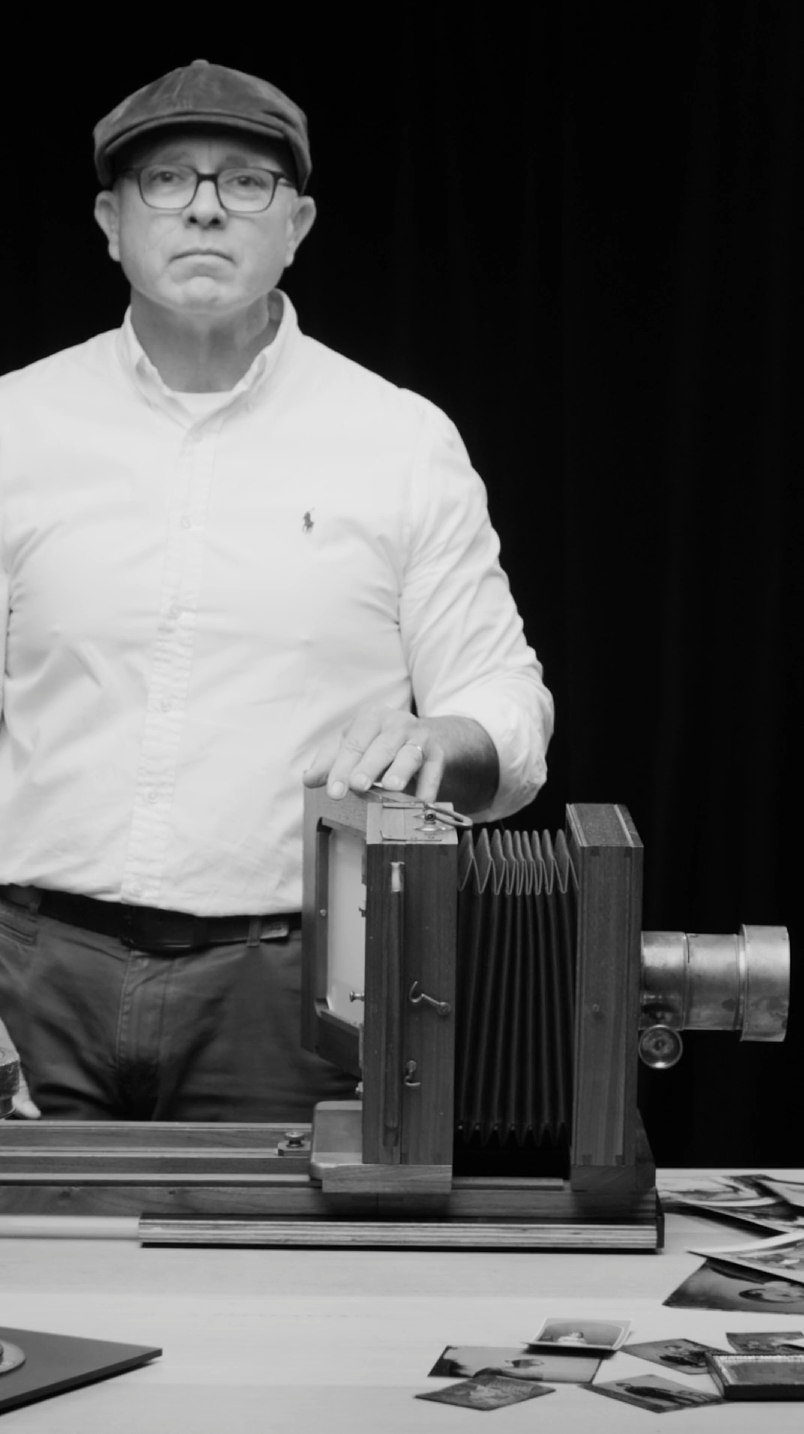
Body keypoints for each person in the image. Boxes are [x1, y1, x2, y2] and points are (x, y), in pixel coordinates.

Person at [0, 61, 552, 1123]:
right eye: (165, 179)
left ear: (296, 224)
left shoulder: (398, 439)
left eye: (245, 182)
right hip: (31, 975)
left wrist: (442, 743)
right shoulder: (15, 427)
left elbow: (507, 712)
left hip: (301, 987)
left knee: (278, 1287)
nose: (205, 204)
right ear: (110, 222)